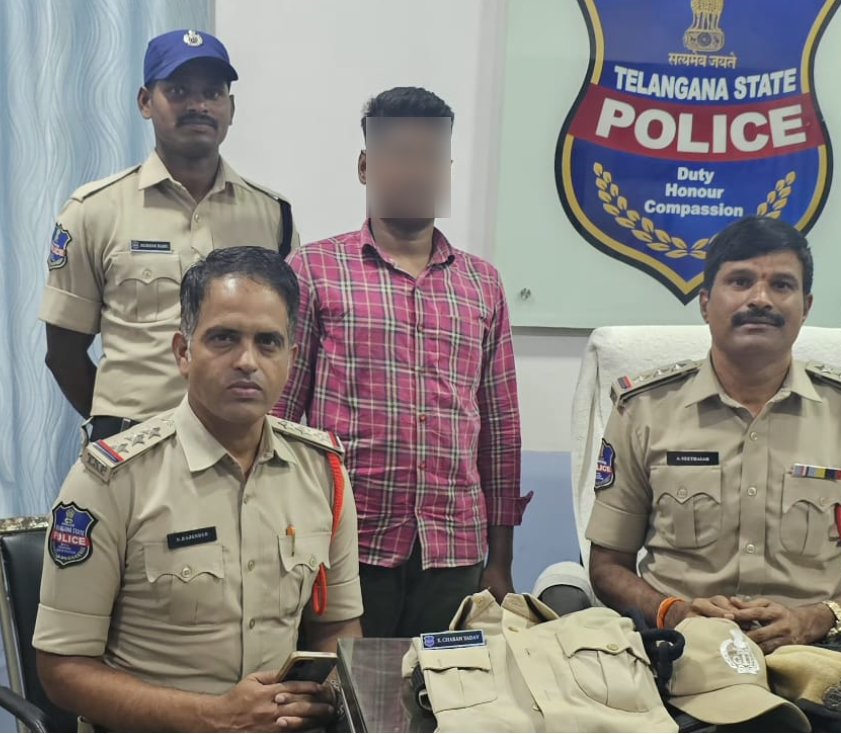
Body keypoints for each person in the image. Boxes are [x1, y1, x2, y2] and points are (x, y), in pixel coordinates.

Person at [34, 247, 360, 732]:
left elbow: (339, 627)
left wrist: (322, 697)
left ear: (291, 359)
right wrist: (216, 718)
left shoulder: (323, 472)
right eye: (224, 338)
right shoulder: (110, 479)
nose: (247, 361)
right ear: (183, 352)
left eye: (268, 343)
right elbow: (62, 670)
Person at [587, 216, 841, 653]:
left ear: (806, 307)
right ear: (706, 303)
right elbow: (607, 566)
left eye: (781, 285)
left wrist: (813, 620)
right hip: (678, 652)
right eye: (740, 281)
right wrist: (675, 613)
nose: (760, 299)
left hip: (813, 656)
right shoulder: (643, 409)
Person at [273, 87, 528, 638]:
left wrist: (501, 559)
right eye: (399, 155)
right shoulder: (314, 270)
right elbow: (281, 417)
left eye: (430, 156)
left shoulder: (482, 283)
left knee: (447, 685)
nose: (416, 170)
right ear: (366, 166)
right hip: (346, 541)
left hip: (454, 547)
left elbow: (501, 428)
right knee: (344, 686)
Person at [41, 29, 300, 441]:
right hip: (131, 443)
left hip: (239, 445)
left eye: (212, 93)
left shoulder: (272, 215)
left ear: (230, 108)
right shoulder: (94, 210)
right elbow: (63, 353)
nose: (198, 105)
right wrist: (119, 429)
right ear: (146, 102)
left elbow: (281, 338)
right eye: (179, 91)